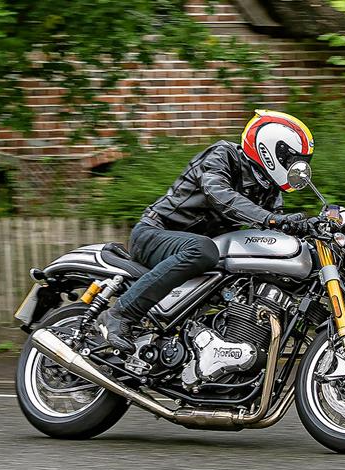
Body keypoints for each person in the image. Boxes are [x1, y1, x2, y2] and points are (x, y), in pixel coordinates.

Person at [97, 109, 315, 353]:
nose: (297, 168)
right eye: (293, 160)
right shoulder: (223, 155)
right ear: (271, 150)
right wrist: (272, 219)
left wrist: (309, 232)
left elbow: (274, 234)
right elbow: (221, 195)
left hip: (199, 253)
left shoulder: (269, 189)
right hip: (155, 234)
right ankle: (119, 314)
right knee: (203, 248)